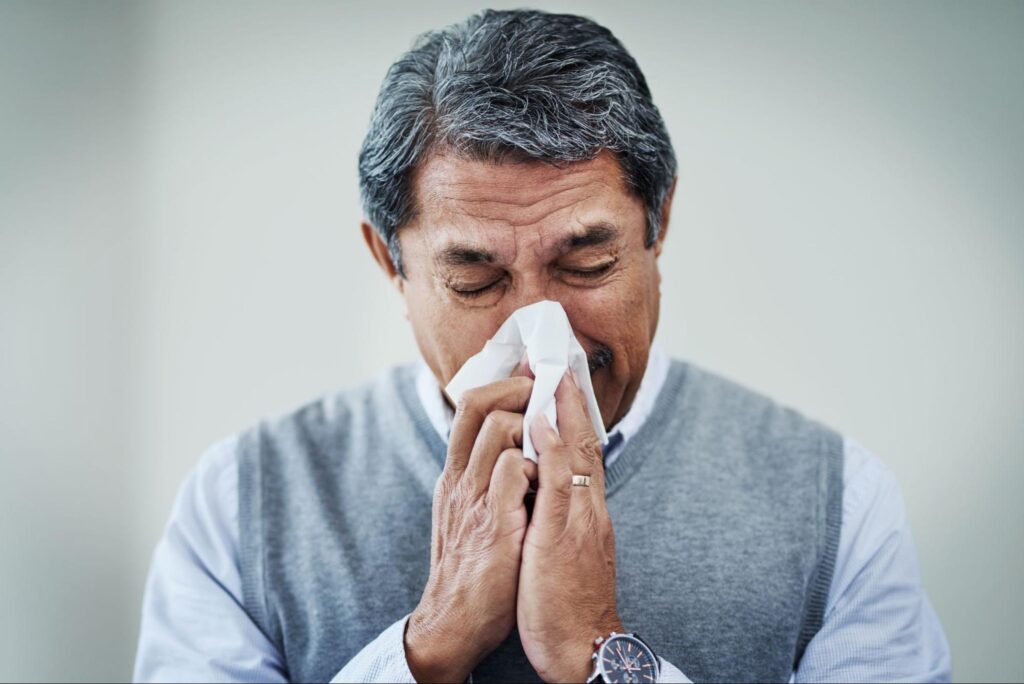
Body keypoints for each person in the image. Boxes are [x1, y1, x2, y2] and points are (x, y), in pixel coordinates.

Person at [134, 9, 951, 683]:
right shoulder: (241, 508)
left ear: (657, 226)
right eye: (476, 281)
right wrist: (429, 646)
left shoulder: (839, 507)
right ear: (390, 261)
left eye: (586, 264)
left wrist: (602, 655)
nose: (539, 333)